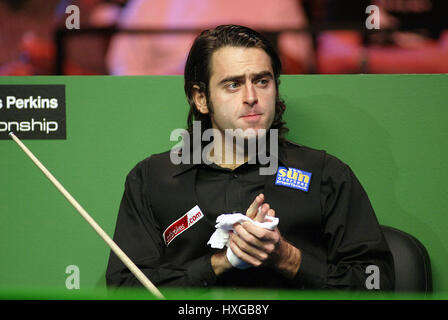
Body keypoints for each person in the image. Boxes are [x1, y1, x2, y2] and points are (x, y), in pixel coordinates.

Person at [106, 25, 395, 290]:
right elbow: (125, 289)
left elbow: (376, 284)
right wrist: (221, 262)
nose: (251, 96)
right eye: (233, 84)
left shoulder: (325, 174)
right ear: (201, 98)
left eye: (262, 81)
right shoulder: (152, 179)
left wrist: (289, 259)